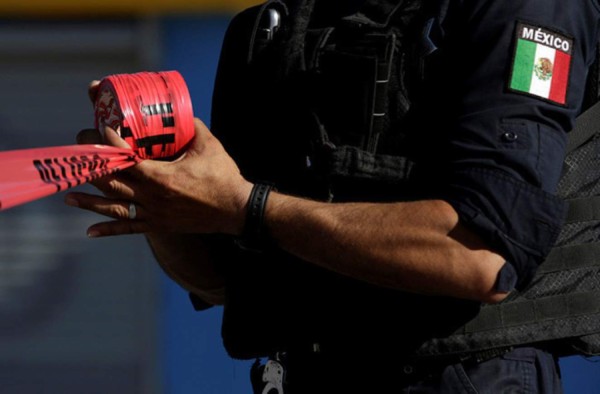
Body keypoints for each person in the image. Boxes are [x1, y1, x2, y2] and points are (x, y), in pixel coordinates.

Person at [65, 0, 600, 392]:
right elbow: (228, 282)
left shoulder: (523, 11)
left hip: (463, 376)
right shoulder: (273, 30)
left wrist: (245, 207)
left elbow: (479, 255)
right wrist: (164, 200)